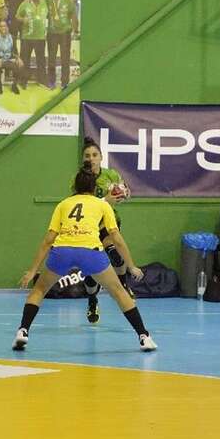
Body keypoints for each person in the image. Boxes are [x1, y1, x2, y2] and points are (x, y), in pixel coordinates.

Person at [13, 161, 156, 352]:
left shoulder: (63, 204)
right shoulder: (102, 205)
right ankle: (144, 337)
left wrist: (32, 271)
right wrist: (131, 266)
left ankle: (23, 331)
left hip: (62, 251)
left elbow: (48, 240)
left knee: (39, 290)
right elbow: (116, 238)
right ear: (94, 188)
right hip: (90, 253)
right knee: (119, 292)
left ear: (74, 187)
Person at [77, 137, 132, 324]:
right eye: (87, 156)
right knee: (91, 272)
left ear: (101, 157)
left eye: (95, 155)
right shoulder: (80, 179)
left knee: (115, 254)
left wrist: (123, 193)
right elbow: (81, 204)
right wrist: (105, 200)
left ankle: (123, 285)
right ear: (83, 159)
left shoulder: (110, 175)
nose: (91, 158)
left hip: (109, 223)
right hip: (89, 227)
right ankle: (92, 300)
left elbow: (126, 192)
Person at [46, 0, 78, 90]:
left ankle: (65, 83)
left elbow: (73, 16)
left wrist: (75, 30)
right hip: (52, 33)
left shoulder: (68, 1)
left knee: (65, 59)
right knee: (51, 59)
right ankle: (51, 81)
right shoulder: (47, 1)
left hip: (65, 33)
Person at [15, 0, 49, 88]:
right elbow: (17, 16)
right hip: (27, 37)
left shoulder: (45, 3)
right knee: (25, 61)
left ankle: (42, 81)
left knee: (41, 61)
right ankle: (23, 81)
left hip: (40, 37)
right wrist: (23, 20)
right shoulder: (25, 4)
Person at [0, 19, 23, 95]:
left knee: (20, 65)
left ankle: (14, 85)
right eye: (1, 26)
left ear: (7, 27)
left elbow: (15, 51)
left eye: (4, 26)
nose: (3, 28)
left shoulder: (12, 37)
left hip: (9, 59)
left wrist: (18, 58)